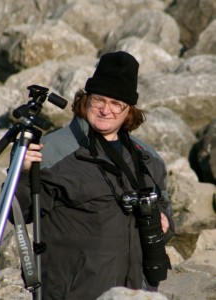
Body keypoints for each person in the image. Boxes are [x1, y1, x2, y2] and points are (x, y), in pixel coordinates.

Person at [12, 51, 175, 300]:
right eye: (99, 100)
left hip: (136, 290)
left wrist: (165, 223)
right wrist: (21, 174)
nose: (105, 110)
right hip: (73, 291)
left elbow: (165, 210)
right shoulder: (52, 150)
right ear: (85, 100)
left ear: (128, 110)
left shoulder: (148, 158)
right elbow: (19, 213)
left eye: (116, 104)